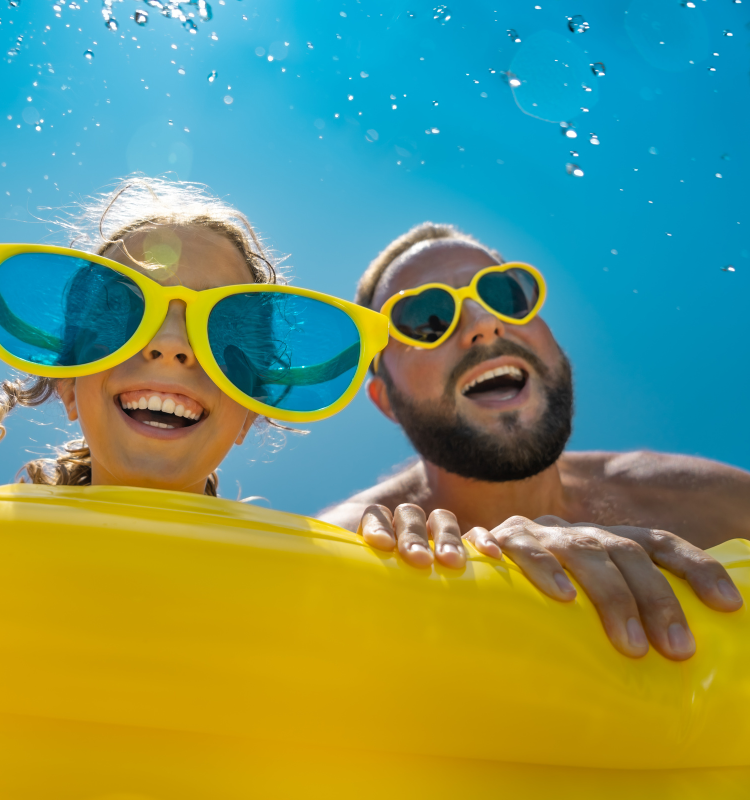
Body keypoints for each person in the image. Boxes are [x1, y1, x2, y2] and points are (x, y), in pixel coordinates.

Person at [319, 222, 748, 660]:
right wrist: (489, 560)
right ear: (386, 399)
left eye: (505, 296)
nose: (485, 323)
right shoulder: (356, 542)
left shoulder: (706, 499)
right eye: (428, 319)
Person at [0, 178, 387, 497]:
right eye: (121, 317)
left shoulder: (304, 579)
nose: (171, 345)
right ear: (69, 386)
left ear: (248, 413)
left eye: (224, 330)